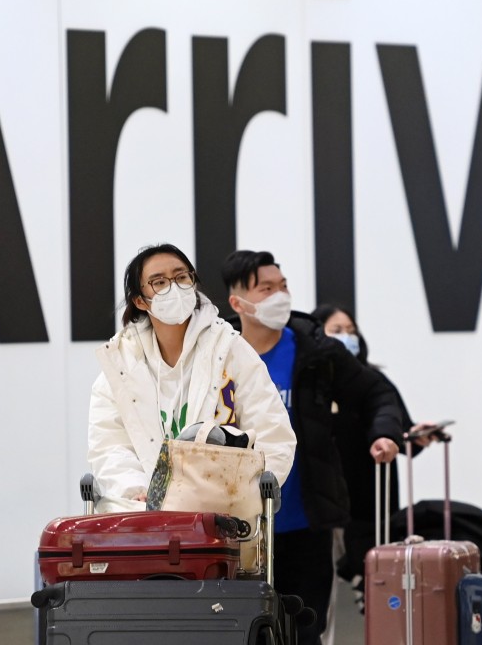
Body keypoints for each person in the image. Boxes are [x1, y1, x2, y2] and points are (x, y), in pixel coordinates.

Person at [221, 250, 405, 645]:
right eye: (265, 288)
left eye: (283, 286)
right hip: (238, 533)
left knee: (305, 632)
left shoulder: (316, 353)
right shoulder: (217, 355)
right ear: (238, 303)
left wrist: (384, 432)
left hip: (306, 525)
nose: (279, 296)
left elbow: (377, 392)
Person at [87, 243, 296, 515]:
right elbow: (109, 446)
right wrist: (137, 492)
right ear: (140, 300)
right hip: (146, 519)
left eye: (181, 277)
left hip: (223, 519)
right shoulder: (120, 364)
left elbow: (273, 434)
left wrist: (239, 496)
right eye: (159, 282)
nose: (174, 287)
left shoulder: (230, 348)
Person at [310, 304, 438, 613]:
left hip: (369, 505)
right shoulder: (311, 384)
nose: (347, 337)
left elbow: (400, 430)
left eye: (351, 331)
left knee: (380, 597)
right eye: (337, 331)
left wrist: (414, 434)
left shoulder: (372, 382)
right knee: (317, 597)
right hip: (323, 503)